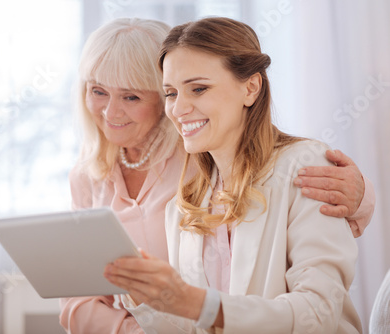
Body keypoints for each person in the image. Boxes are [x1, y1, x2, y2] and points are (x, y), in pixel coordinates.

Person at [61, 18, 374, 333]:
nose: (180, 108)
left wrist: (361, 195)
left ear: (250, 87)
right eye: (171, 92)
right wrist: (142, 297)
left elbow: (318, 314)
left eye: (198, 88)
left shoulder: (303, 167)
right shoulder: (187, 201)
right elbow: (188, 326)